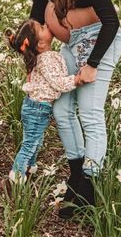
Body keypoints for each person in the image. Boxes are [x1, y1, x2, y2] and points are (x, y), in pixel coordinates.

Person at [23, 0, 121, 218]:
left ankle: (89, 188)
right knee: (62, 110)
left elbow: (111, 21)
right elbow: (38, 3)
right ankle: (76, 178)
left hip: (100, 42)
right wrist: (32, 55)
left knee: (90, 113)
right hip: (72, 43)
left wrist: (92, 65)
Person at [6, 19, 80, 184]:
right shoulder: (46, 60)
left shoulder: (43, 56)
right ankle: (16, 176)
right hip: (38, 109)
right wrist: (77, 79)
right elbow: (58, 83)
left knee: (35, 141)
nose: (47, 25)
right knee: (30, 143)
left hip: (35, 107)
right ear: (40, 43)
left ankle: (29, 166)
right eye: (42, 27)